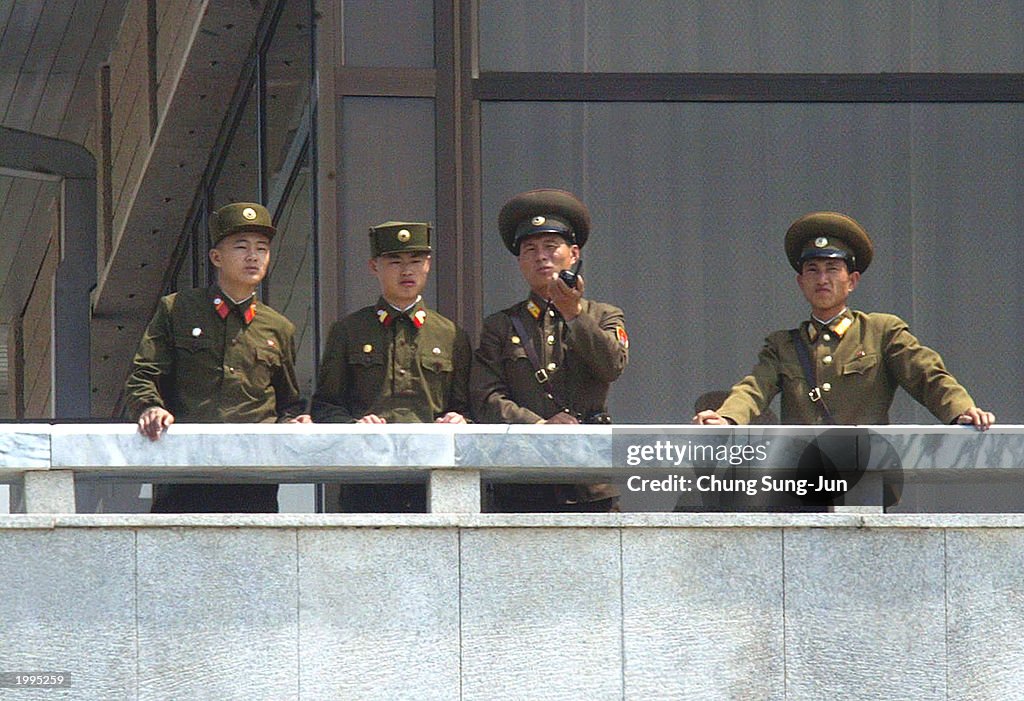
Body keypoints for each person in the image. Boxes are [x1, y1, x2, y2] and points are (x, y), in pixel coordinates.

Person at [694, 211, 995, 430]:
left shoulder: (882, 332)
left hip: (865, 475)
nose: (822, 279)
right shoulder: (783, 346)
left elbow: (927, 376)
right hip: (803, 481)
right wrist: (727, 417)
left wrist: (962, 410)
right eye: (812, 269)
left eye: (832, 269)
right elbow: (754, 389)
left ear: (852, 281)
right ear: (800, 282)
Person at [125, 202, 311, 513]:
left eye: (262, 249)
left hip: (253, 475)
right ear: (216, 257)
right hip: (186, 469)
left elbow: (287, 400)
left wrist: (295, 420)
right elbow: (144, 373)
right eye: (241, 247)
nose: (253, 256)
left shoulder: (279, 327)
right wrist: (150, 406)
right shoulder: (178, 309)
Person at [471, 189, 629, 512]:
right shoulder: (500, 326)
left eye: (550, 247)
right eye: (530, 249)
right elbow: (485, 398)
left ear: (574, 254)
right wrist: (540, 427)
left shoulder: (603, 315)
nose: (541, 257)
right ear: (519, 262)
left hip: (589, 482)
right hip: (522, 483)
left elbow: (613, 365)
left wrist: (574, 314)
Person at [311, 221, 471, 512]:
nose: (406, 271)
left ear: (428, 265)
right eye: (395, 262)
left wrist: (460, 420)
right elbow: (324, 406)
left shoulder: (450, 335)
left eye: (416, 261)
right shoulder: (349, 331)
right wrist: (354, 426)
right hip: (367, 479)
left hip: (433, 478)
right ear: (374, 266)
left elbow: (469, 408)